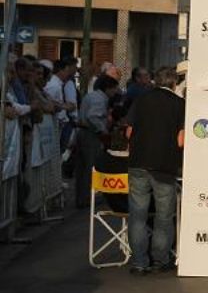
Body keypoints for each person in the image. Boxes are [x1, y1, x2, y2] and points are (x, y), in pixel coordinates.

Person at [126, 67, 185, 275]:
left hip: (138, 163)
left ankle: (139, 262)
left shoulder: (141, 99)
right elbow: (181, 140)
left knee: (137, 216)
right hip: (164, 166)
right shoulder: (179, 104)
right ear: (174, 83)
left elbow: (129, 131)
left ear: (156, 81)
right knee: (163, 216)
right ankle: (160, 259)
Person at [75, 75, 120, 208]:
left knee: (82, 167)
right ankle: (86, 198)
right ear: (108, 88)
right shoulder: (99, 99)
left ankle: (82, 197)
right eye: (114, 89)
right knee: (90, 166)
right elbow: (93, 116)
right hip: (90, 134)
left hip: (83, 132)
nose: (115, 92)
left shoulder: (92, 96)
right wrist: (102, 130)